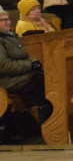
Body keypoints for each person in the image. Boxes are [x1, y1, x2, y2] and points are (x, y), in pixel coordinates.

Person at [0, 10, 52, 143]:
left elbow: (24, 58)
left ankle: (47, 123)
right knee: (42, 82)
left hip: (21, 76)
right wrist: (30, 66)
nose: (6, 22)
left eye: (7, 19)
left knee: (47, 79)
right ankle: (47, 125)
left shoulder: (11, 36)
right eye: (2, 20)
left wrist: (32, 63)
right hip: (8, 81)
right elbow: (4, 65)